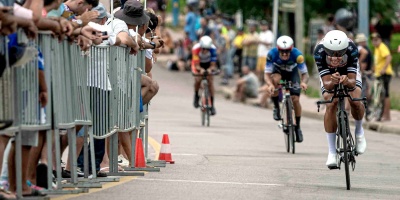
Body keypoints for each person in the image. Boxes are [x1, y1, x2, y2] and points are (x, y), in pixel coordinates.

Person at [313, 30, 366, 168]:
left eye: (339, 53)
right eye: (331, 53)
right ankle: (332, 152)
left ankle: (359, 132)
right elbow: (327, 85)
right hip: (330, 75)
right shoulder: (319, 51)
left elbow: (353, 82)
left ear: (344, 49)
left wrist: (347, 81)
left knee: (355, 100)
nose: (335, 57)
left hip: (348, 71)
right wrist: (333, 82)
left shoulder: (351, 48)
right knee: (331, 104)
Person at [264, 35, 309, 143]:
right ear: (278, 49)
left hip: (292, 74)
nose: (284, 54)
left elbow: (305, 74)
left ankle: (297, 127)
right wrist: (269, 84)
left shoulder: (298, 55)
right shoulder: (271, 54)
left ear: (291, 49)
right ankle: (276, 107)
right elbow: (267, 74)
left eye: (287, 52)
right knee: (275, 80)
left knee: (296, 99)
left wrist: (303, 82)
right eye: (282, 52)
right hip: (278, 73)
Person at [192, 35, 218, 115]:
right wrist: (200, 70)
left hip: (208, 64)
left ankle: (212, 105)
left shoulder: (213, 49)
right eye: (203, 48)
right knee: (198, 79)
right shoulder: (196, 49)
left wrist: (210, 69)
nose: (205, 51)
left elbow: (213, 64)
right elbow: (196, 65)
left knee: (210, 81)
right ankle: (196, 96)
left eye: (207, 49)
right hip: (198, 63)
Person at [371, 32, 393, 121]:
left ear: (380, 40)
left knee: (386, 94)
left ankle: (387, 115)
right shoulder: (376, 49)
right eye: (373, 40)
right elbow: (377, 61)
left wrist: (384, 69)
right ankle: (382, 114)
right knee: (379, 95)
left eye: (376, 40)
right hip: (378, 74)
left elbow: (389, 57)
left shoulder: (382, 47)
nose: (374, 42)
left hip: (385, 74)